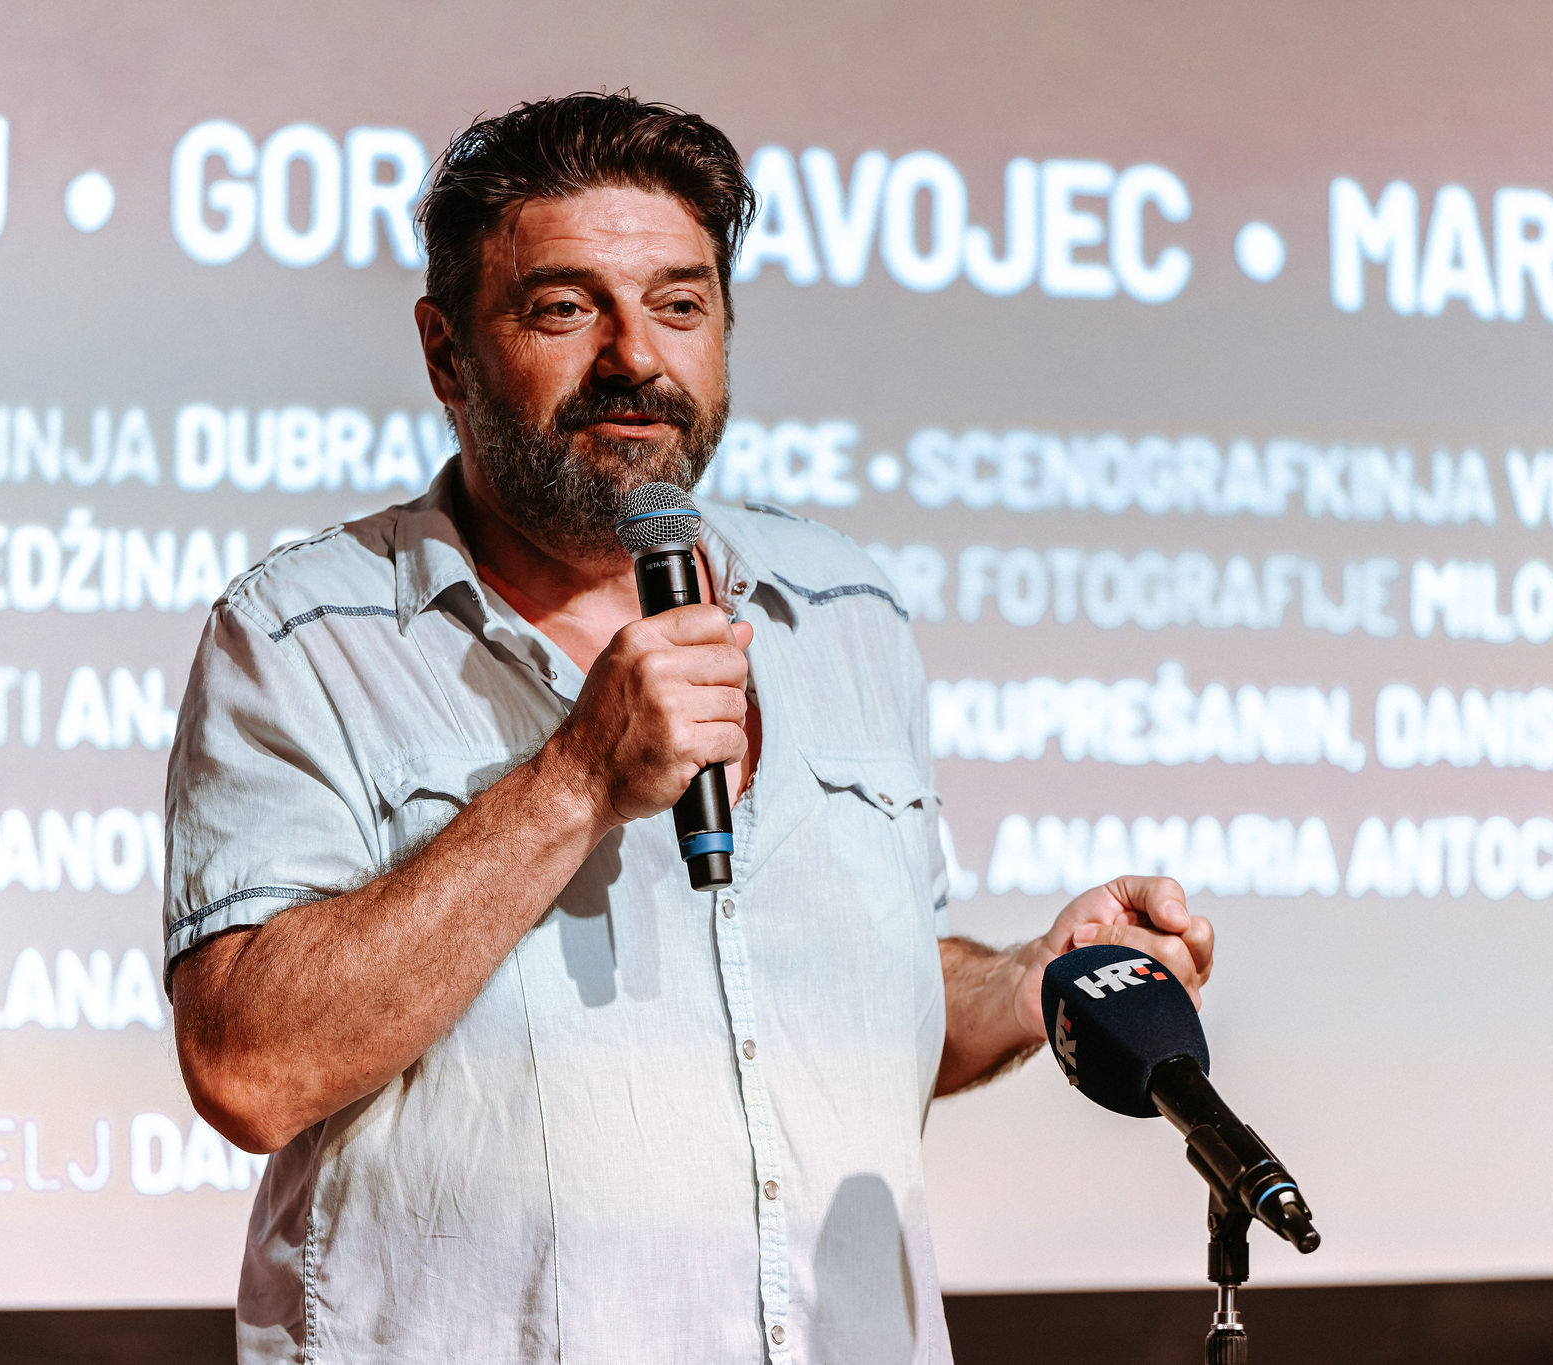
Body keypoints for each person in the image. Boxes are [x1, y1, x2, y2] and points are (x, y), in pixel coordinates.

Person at [163, 91, 1214, 1365]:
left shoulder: (845, 610)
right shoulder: (301, 636)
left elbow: (831, 997)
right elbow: (250, 1069)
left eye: (678, 304)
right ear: (445, 354)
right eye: (565, 308)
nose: (634, 359)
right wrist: (573, 782)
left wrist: (1026, 979)